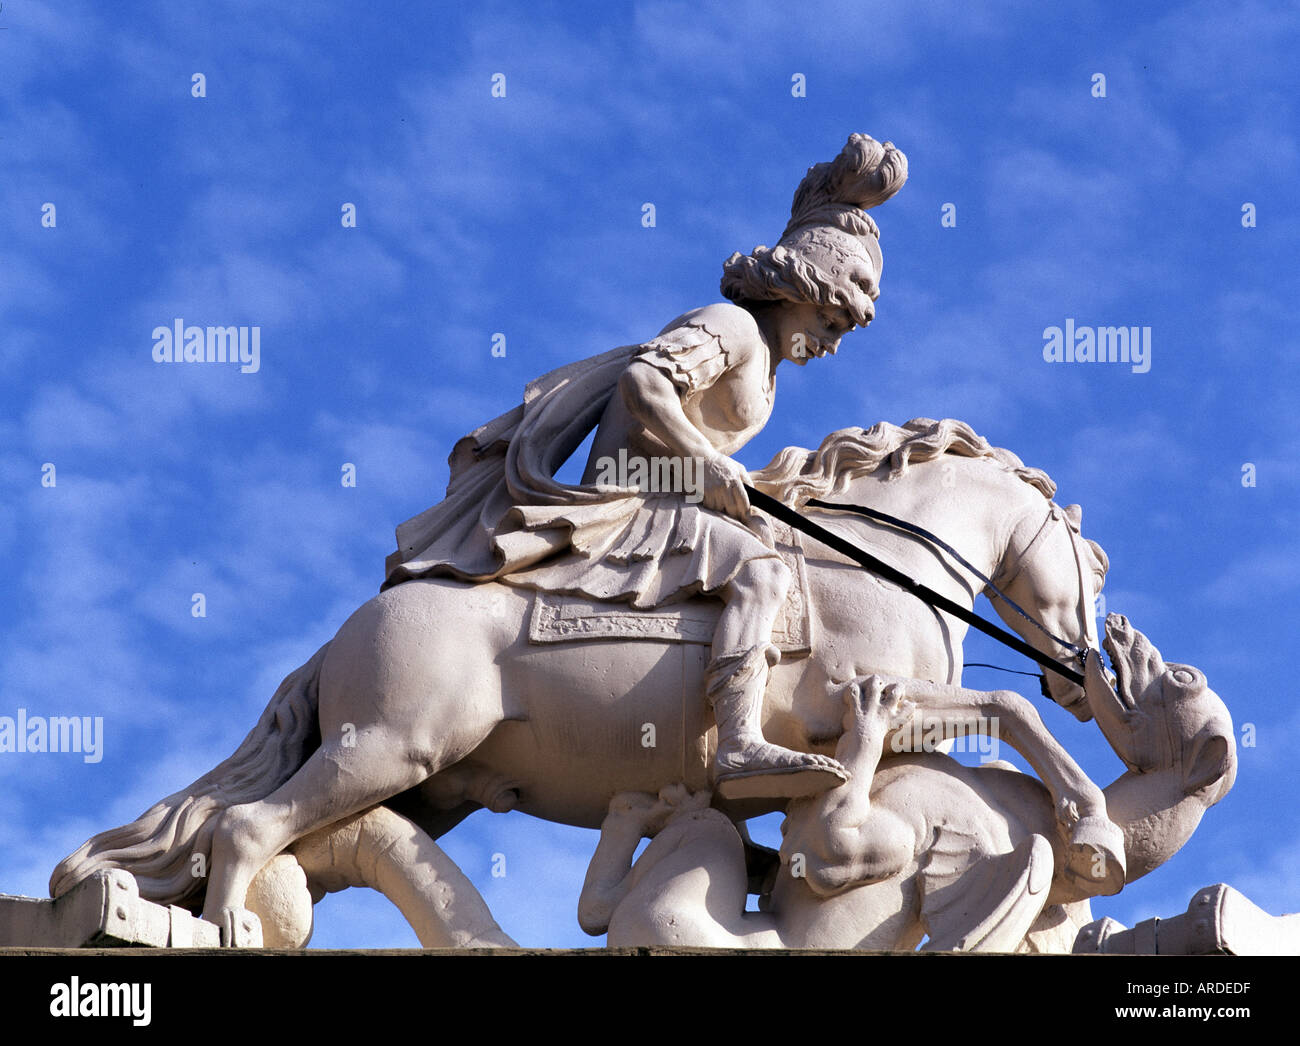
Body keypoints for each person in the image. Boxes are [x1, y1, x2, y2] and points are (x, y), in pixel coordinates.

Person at [384, 134, 908, 799]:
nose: (831, 345)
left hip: (670, 499)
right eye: (831, 323)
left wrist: (730, 477)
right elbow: (645, 383)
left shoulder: (767, 367)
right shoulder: (734, 328)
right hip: (633, 503)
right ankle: (741, 742)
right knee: (760, 573)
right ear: (798, 289)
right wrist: (707, 466)